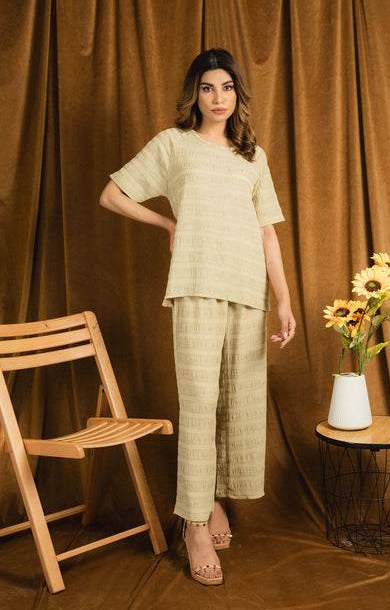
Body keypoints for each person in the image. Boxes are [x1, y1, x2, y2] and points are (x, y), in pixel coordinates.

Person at [100, 48, 296, 586]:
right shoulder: (174, 144)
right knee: (200, 403)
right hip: (196, 286)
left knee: (238, 404)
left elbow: (267, 232)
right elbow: (112, 195)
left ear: (238, 94)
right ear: (195, 93)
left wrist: (283, 299)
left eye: (227, 87)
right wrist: (168, 225)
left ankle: (213, 501)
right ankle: (193, 522)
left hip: (248, 290)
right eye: (208, 87)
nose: (218, 97)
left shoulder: (252, 156)